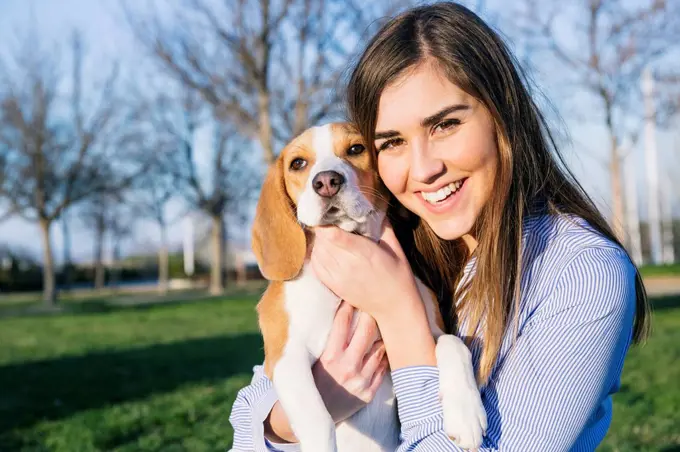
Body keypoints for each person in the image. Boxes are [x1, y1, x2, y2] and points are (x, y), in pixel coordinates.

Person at [228, 2, 650, 451]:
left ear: (502, 114)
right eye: (391, 142)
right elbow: (248, 424)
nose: (424, 168)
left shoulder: (580, 274)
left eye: (445, 124)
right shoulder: (393, 243)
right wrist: (299, 419)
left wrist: (399, 314)